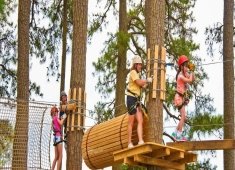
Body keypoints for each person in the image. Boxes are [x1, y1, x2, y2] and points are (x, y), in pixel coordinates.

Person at [126, 55, 152, 148]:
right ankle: (129, 143)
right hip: (131, 98)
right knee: (131, 122)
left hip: (136, 100)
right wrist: (146, 80)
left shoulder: (137, 75)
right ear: (135, 65)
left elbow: (142, 86)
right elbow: (139, 82)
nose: (141, 66)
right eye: (140, 65)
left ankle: (141, 140)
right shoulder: (133, 72)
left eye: (141, 65)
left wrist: (148, 83)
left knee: (140, 120)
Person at [172, 55, 195, 141]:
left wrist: (192, 71)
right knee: (183, 116)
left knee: (184, 117)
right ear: (181, 67)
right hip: (178, 97)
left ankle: (175, 133)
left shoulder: (185, 74)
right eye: (185, 66)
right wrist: (191, 71)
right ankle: (179, 135)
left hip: (181, 98)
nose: (186, 67)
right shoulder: (180, 76)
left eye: (187, 65)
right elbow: (189, 80)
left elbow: (192, 79)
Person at [51, 106, 66, 170]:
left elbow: (53, 129)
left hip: (54, 138)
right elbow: (61, 123)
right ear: (56, 112)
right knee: (60, 156)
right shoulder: (56, 118)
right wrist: (63, 118)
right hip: (58, 137)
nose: (57, 113)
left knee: (56, 156)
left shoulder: (52, 121)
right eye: (57, 111)